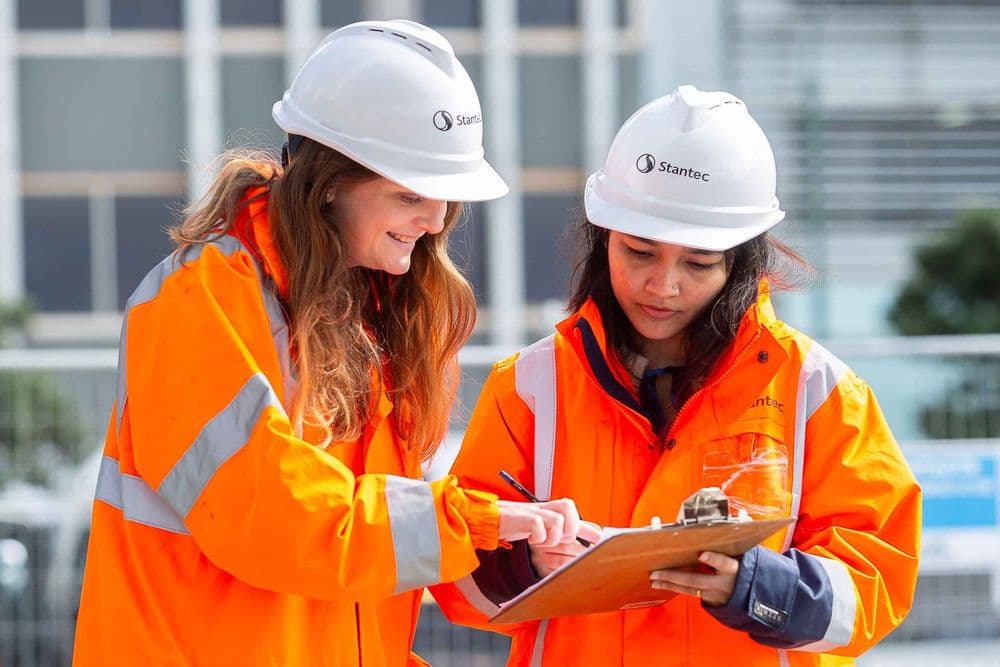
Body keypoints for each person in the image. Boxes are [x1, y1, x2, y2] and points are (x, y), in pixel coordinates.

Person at [72, 20, 596, 667]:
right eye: (410, 194)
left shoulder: (374, 316)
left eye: (444, 198)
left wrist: (517, 546)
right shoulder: (199, 300)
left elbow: (362, 575)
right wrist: (469, 520)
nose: (435, 222)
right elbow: (278, 517)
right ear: (327, 181)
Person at [431, 86, 921, 666]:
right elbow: (456, 575)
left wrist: (758, 587)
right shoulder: (531, 386)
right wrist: (529, 562)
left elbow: (878, 578)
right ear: (602, 238)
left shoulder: (816, 390)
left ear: (741, 262)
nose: (663, 286)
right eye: (639, 252)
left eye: (698, 263)